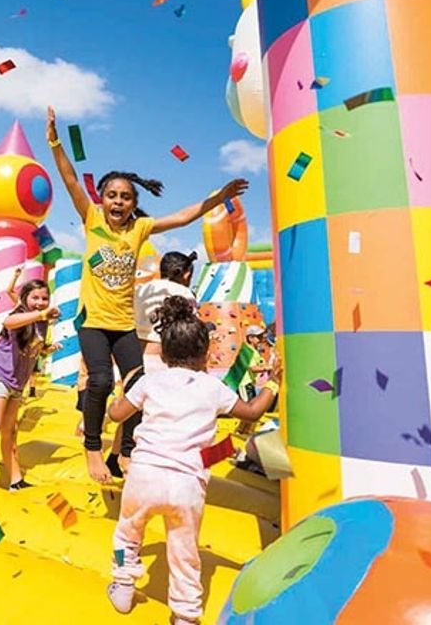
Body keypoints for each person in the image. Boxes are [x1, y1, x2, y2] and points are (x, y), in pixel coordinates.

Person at [46, 105, 249, 483]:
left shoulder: (139, 229)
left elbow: (184, 217)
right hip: (93, 321)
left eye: (125, 197)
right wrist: (56, 142)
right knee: (102, 381)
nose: (118, 202)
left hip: (123, 324)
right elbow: (71, 180)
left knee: (140, 385)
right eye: (112, 195)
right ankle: (92, 447)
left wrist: (219, 197)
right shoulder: (92, 220)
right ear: (102, 199)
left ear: (134, 204)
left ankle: (123, 452)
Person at [105, 296, 279, 624]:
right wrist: (273, 382)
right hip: (186, 485)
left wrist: (124, 387)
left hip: (143, 476)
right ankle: (185, 614)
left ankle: (123, 583)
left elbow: (116, 415)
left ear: (166, 352)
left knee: (127, 534)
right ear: (205, 353)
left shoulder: (150, 381)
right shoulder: (212, 387)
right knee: (185, 552)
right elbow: (254, 411)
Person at [0, 279, 59, 490]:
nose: (40, 302)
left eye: (44, 298)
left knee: (10, 432)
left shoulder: (41, 323)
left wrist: (46, 349)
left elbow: (31, 346)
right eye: (35, 298)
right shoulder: (20, 316)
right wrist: (41, 313)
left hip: (16, 383)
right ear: (25, 298)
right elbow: (9, 323)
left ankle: (16, 481)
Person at [135, 251, 198, 359]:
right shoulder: (183, 292)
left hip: (135, 353)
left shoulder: (141, 289)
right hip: (166, 356)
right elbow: (191, 329)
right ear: (187, 275)